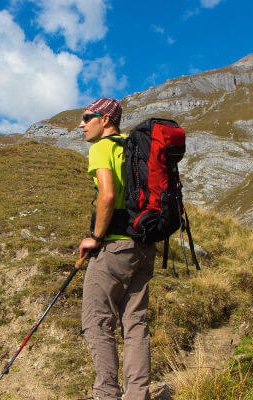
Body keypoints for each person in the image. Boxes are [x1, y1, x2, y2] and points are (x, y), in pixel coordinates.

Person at [78, 98, 157, 400]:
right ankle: (138, 395)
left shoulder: (102, 148)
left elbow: (108, 196)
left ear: (106, 120)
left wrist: (94, 237)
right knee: (136, 323)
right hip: (144, 244)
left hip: (115, 247)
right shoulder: (135, 148)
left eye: (88, 117)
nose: (81, 124)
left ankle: (107, 394)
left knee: (96, 320)